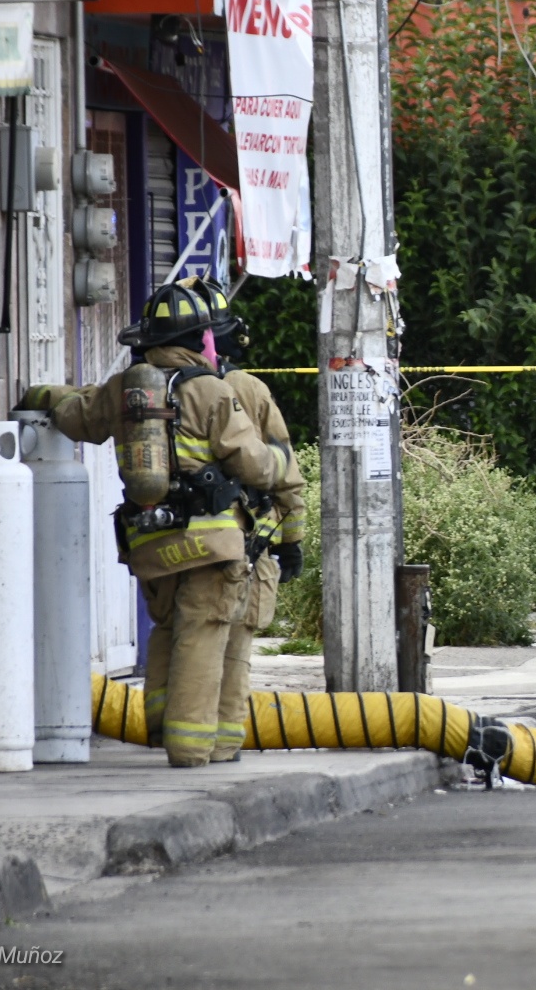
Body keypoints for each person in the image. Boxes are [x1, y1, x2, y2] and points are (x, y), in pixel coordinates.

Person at [20, 282, 293, 767]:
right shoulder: (212, 390)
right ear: (199, 339)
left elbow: (79, 414)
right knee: (204, 634)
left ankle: (166, 730)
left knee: (166, 632)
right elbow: (253, 465)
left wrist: (42, 393)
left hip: (151, 542)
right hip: (211, 543)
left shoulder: (129, 389)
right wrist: (278, 461)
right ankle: (190, 747)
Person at [181, 277, 306, 761]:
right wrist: (291, 541)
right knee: (233, 646)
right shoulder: (246, 388)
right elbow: (283, 470)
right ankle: (220, 745)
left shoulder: (161, 386)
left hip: (172, 542)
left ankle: (166, 730)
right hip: (242, 543)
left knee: (182, 637)